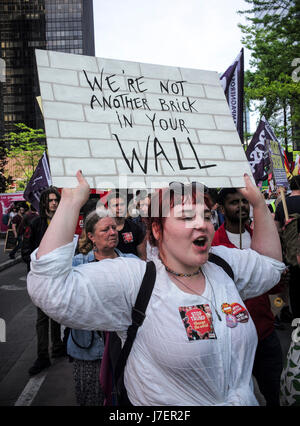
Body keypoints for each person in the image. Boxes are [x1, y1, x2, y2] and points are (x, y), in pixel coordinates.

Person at [27, 171, 285, 406]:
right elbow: (50, 288)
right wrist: (70, 202)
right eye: (186, 216)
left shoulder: (223, 264)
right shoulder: (135, 280)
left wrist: (259, 205)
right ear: (157, 230)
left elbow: (270, 267)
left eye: (206, 216)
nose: (202, 224)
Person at [212, 188, 284, 406]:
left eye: (245, 201)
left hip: (264, 331)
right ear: (223, 209)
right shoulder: (215, 245)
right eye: (235, 202)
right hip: (232, 339)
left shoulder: (261, 237)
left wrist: (280, 277)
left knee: (274, 392)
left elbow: (271, 285)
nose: (242, 206)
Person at [67, 208, 137, 406]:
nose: (113, 232)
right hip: (90, 351)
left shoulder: (131, 264)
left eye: (114, 227)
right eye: (105, 229)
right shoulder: (77, 266)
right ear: (91, 236)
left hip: (126, 350)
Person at [22, 187, 66, 376]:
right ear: (44, 203)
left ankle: (57, 347)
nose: (54, 203)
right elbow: (26, 251)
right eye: (50, 200)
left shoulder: (63, 223)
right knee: (42, 319)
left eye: (56, 200)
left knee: (56, 314)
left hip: (59, 277)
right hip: (41, 279)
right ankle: (42, 356)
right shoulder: (35, 224)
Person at [274, 176, 300, 320]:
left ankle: (297, 321)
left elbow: (277, 230)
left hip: (290, 252)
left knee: (294, 287)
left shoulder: (282, 203)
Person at [107, 190, 146, 259]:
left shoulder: (135, 228)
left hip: (131, 268)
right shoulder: (104, 229)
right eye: (116, 205)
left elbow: (142, 256)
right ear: (109, 208)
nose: (119, 208)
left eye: (122, 204)